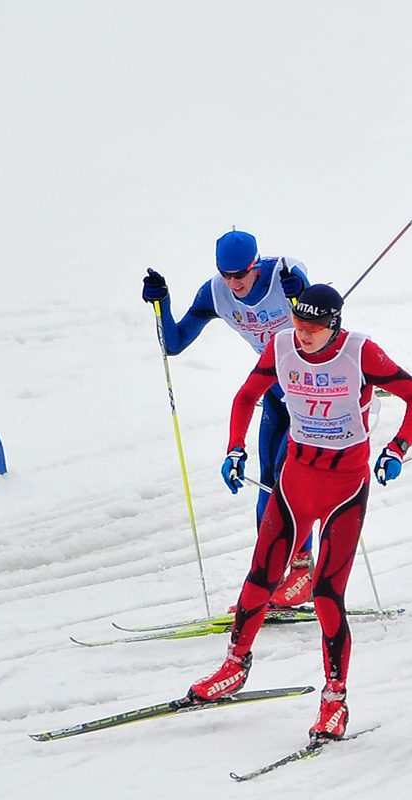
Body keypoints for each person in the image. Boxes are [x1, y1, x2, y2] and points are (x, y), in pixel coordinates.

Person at [185, 284, 412, 742]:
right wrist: (235, 448)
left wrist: (397, 449)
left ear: (333, 324)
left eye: (314, 329)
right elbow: (245, 397)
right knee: (261, 577)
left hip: (344, 488)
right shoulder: (282, 345)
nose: (303, 335)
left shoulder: (360, 352)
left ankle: (335, 700)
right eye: (299, 324)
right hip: (296, 478)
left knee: (325, 595)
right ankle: (234, 666)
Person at [140, 229, 320, 607]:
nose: (235, 283)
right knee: (268, 484)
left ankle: (303, 571)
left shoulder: (284, 276)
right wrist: (163, 304)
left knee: (292, 478)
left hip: (313, 394)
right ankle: (269, 579)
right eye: (227, 275)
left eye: (241, 274)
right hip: (274, 391)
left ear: (256, 265)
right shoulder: (216, 293)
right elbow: (174, 343)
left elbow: (325, 328)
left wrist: (300, 295)